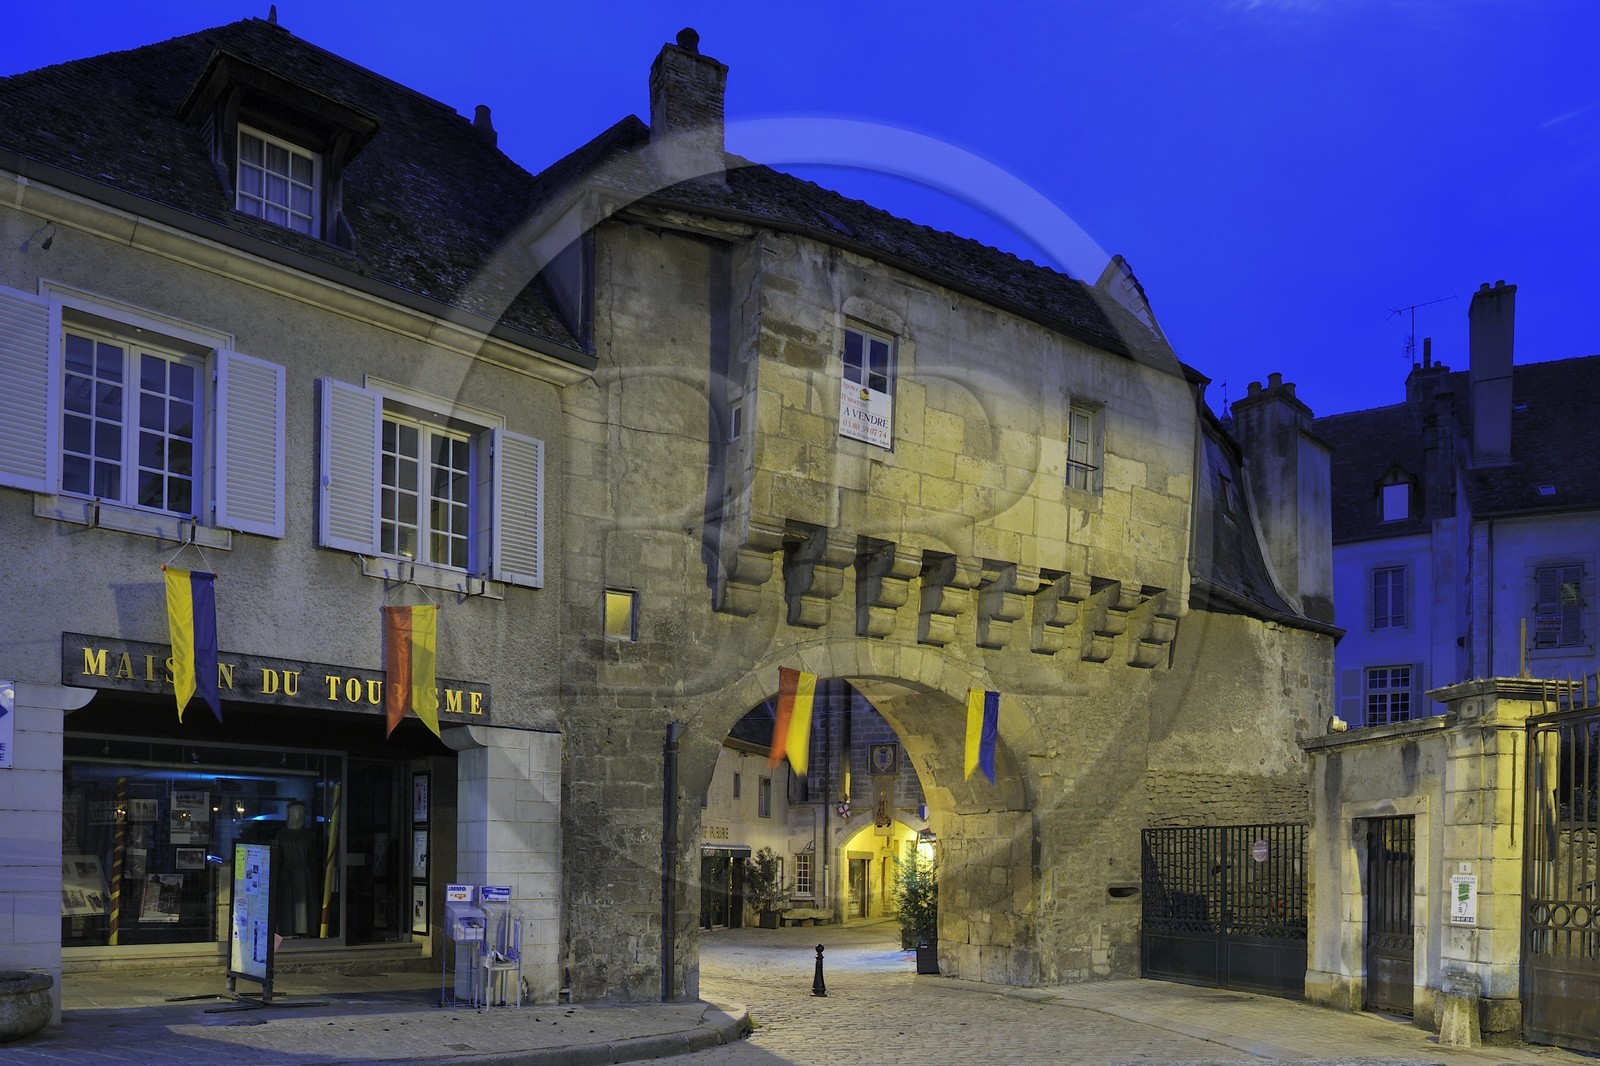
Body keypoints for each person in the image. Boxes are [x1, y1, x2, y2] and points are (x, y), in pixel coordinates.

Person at [273, 801, 320, 937]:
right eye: (295, 811)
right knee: (288, 903)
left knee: (304, 903)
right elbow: (277, 856)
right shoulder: (282, 834)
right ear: (289, 813)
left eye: (301, 811)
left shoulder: (308, 835)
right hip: (287, 874)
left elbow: (313, 857)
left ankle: (304, 929)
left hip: (304, 875)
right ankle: (287, 929)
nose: (298, 814)